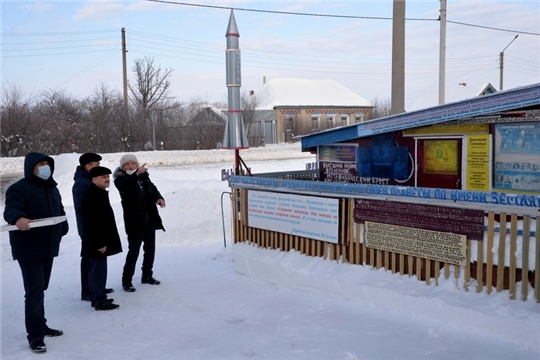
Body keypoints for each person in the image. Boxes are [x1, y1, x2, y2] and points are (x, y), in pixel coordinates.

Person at [3, 152, 69, 353]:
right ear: (30, 167)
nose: (45, 167)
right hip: (28, 248)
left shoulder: (52, 188)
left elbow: (60, 210)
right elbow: (11, 209)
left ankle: (41, 324)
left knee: (42, 287)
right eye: (40, 164)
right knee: (34, 291)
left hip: (48, 245)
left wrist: (62, 228)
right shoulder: (18, 189)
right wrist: (19, 219)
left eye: (47, 163)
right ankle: (35, 336)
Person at [113, 154, 165, 292]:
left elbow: (152, 189)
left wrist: (159, 198)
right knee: (134, 251)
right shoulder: (120, 179)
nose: (130, 166)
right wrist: (136, 174)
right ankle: (127, 281)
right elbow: (126, 187)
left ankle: (147, 275)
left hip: (149, 219)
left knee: (150, 249)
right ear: (123, 167)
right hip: (134, 222)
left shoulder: (144, 176)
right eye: (127, 165)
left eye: (133, 164)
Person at [72, 152, 113, 302]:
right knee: (90, 259)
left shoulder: (88, 179)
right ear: (88, 166)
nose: (99, 167)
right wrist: (86, 231)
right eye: (97, 165)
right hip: (88, 229)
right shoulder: (83, 182)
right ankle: (89, 290)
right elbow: (83, 209)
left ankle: (96, 287)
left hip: (90, 228)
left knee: (93, 259)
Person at [81, 166, 122, 311]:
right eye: (103, 177)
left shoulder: (99, 192)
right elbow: (93, 222)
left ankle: (97, 296)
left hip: (98, 240)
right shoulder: (93, 196)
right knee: (98, 270)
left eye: (108, 176)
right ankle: (99, 300)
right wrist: (100, 242)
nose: (107, 179)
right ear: (94, 179)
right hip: (97, 241)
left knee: (98, 269)